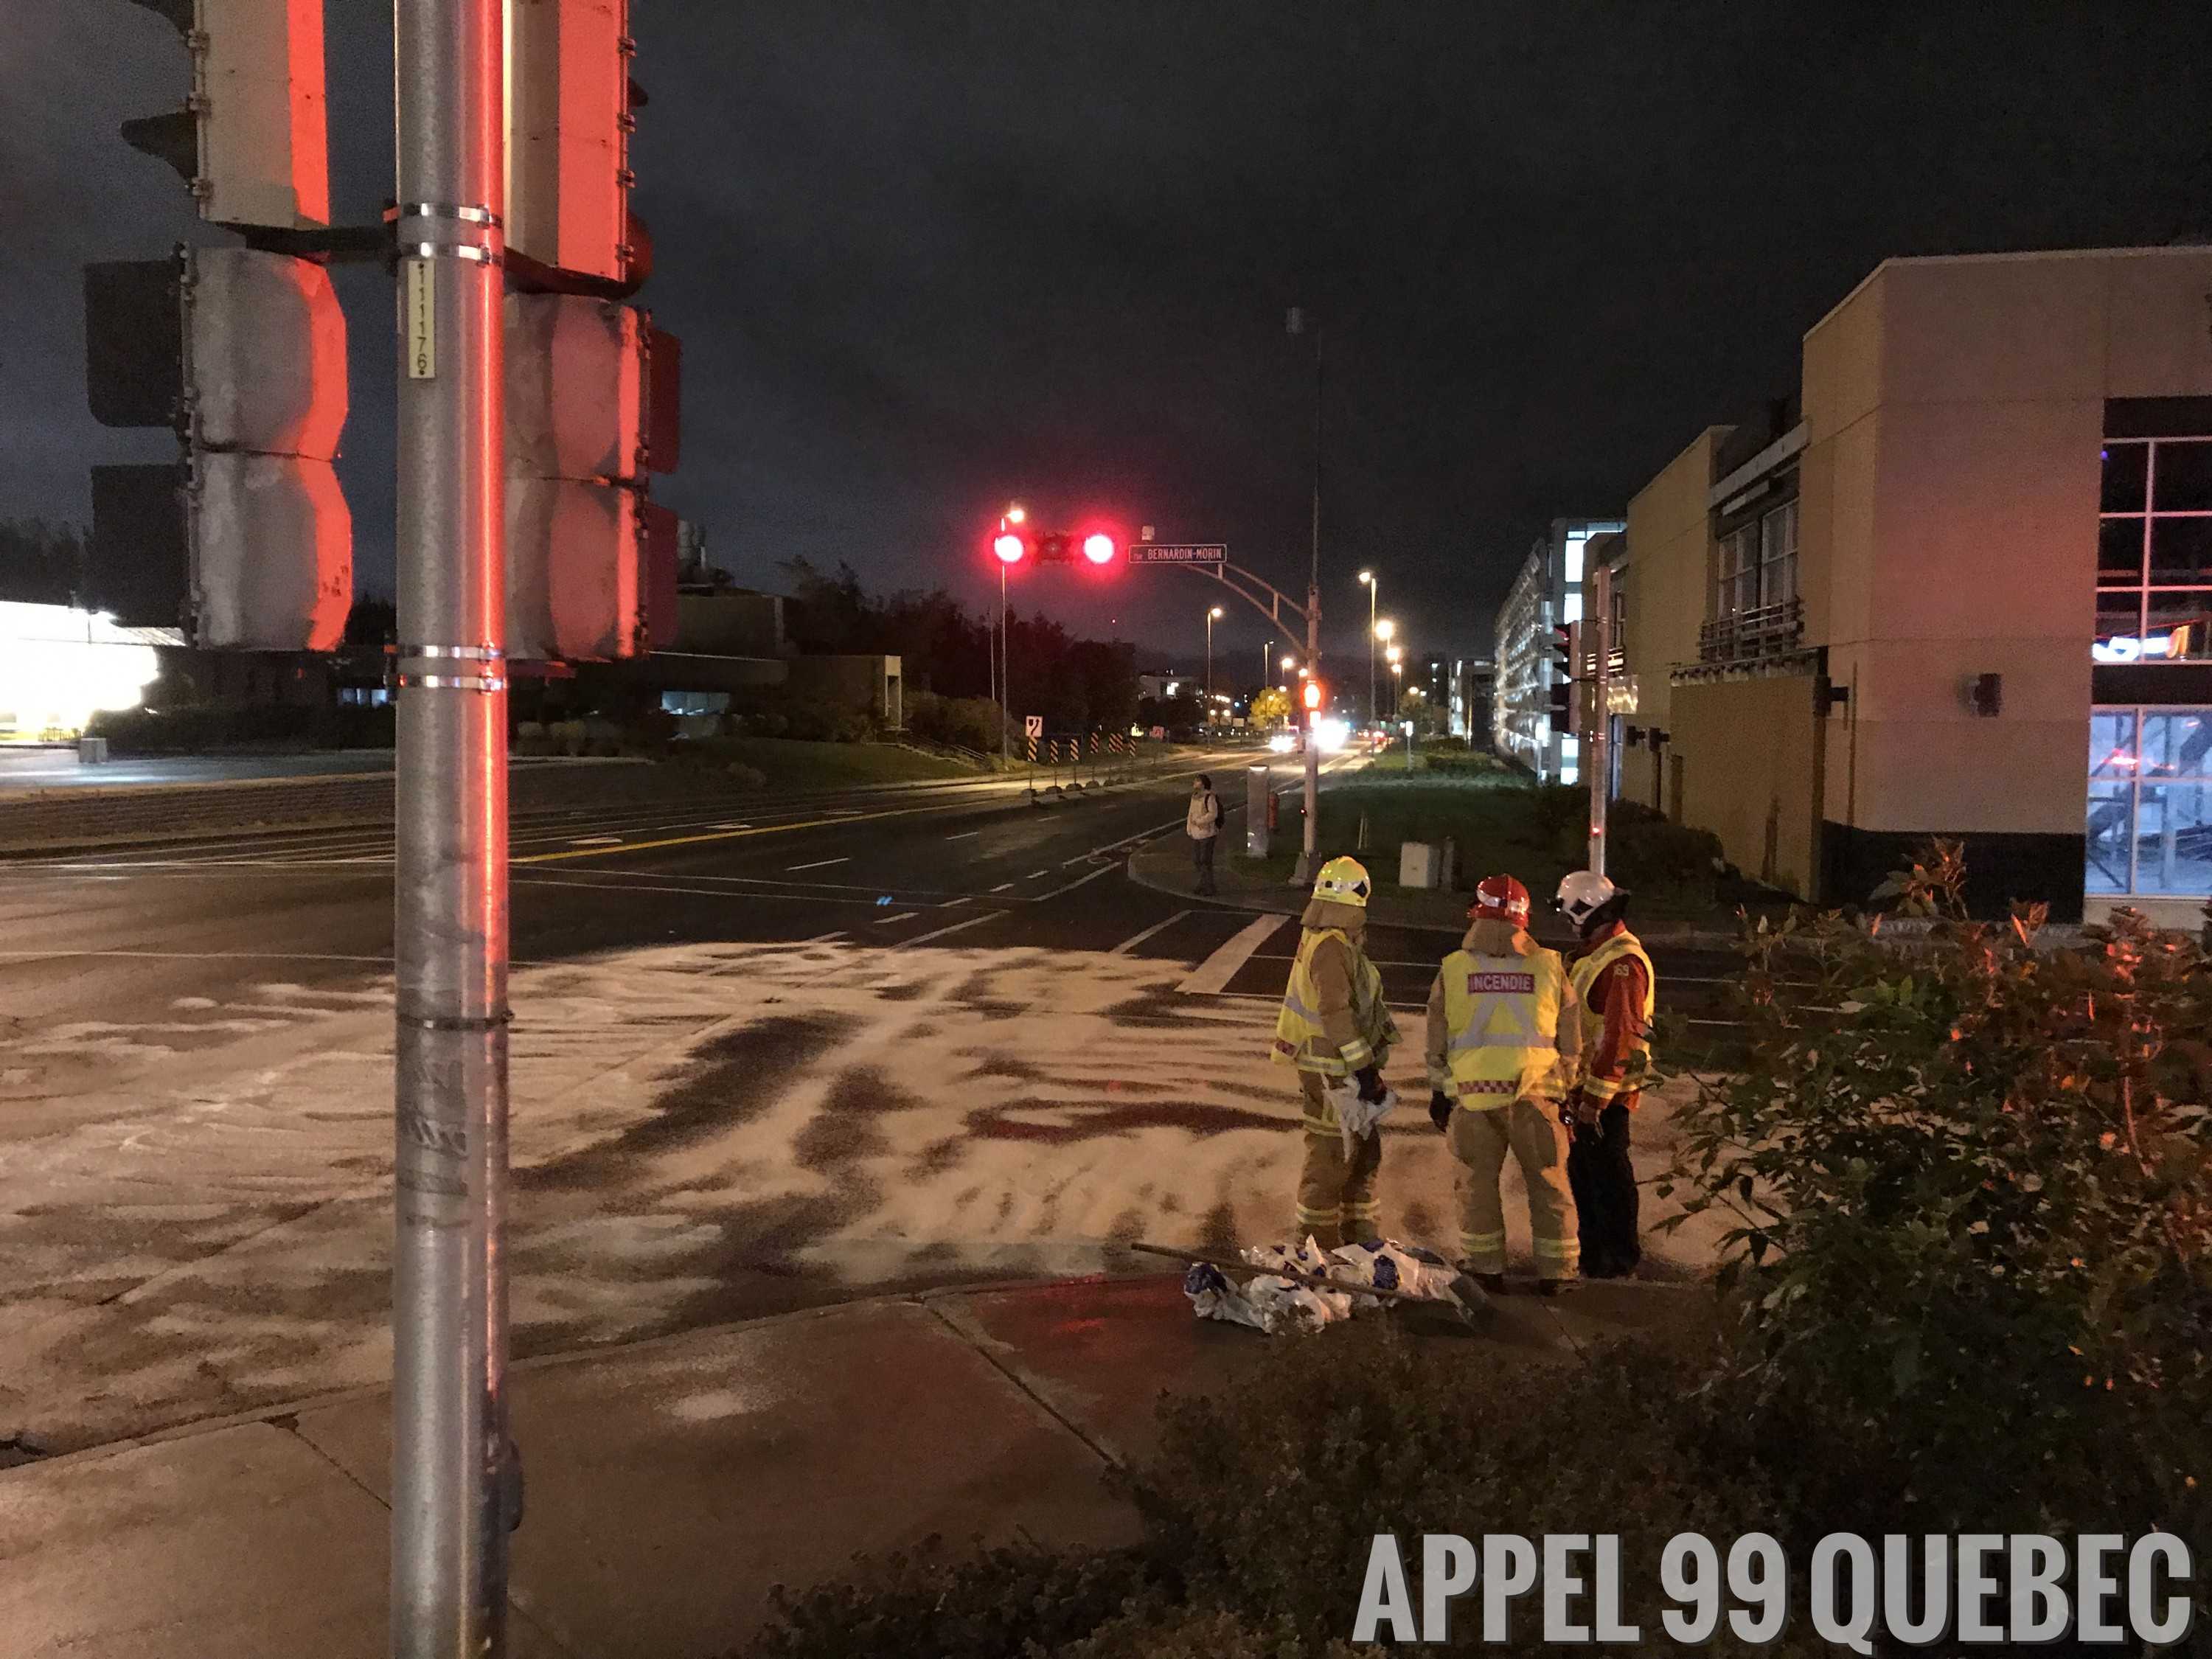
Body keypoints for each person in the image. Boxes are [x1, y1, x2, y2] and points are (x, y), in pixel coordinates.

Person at [1424, 873, 1584, 1293]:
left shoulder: (1453, 969)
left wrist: (1440, 1090)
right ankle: (1559, 1274)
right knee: (1550, 1185)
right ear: (1523, 919)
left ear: (1476, 915)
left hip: (1473, 1099)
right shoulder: (1551, 966)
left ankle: (1485, 1268)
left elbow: (1437, 1039)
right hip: (1538, 1095)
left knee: (1476, 1185)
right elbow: (1572, 1040)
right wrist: (1565, 1084)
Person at [1272, 855, 1399, 1247]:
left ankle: (1358, 1238)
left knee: (1360, 1152)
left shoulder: (1328, 939)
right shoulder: (1331, 946)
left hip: (1333, 1065)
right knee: (1331, 1157)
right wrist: (1364, 1070)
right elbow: (1335, 1012)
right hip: (1332, 1068)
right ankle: (1317, 1244)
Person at [1556, 870, 1655, 1279]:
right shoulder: (1598, 954)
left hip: (1605, 1097)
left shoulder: (1622, 963)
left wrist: (1593, 1103)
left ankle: (1616, 1257)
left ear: (1587, 912)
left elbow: (1620, 1038)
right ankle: (1596, 1253)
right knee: (1586, 1174)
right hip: (1588, 1091)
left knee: (1607, 1176)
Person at [1186, 773, 1225, 894]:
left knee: (1205, 861)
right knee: (1197, 860)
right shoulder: (1195, 797)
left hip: (1208, 834)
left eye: (1197, 781)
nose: (1194, 783)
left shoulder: (1209, 797)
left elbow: (1213, 814)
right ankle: (1202, 884)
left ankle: (1209, 887)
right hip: (1196, 834)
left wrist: (1199, 821)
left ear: (1203, 784)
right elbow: (1190, 814)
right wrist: (1189, 828)